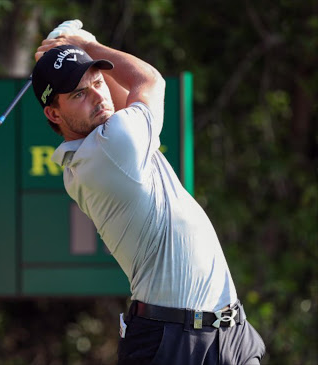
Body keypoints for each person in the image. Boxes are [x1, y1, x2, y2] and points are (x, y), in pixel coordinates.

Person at [31, 22, 266, 365]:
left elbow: (120, 102)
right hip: (171, 342)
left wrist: (80, 53)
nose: (98, 96)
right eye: (80, 94)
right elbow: (149, 81)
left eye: (98, 83)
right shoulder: (111, 149)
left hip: (228, 330)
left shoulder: (103, 142)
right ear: (53, 113)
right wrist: (90, 46)